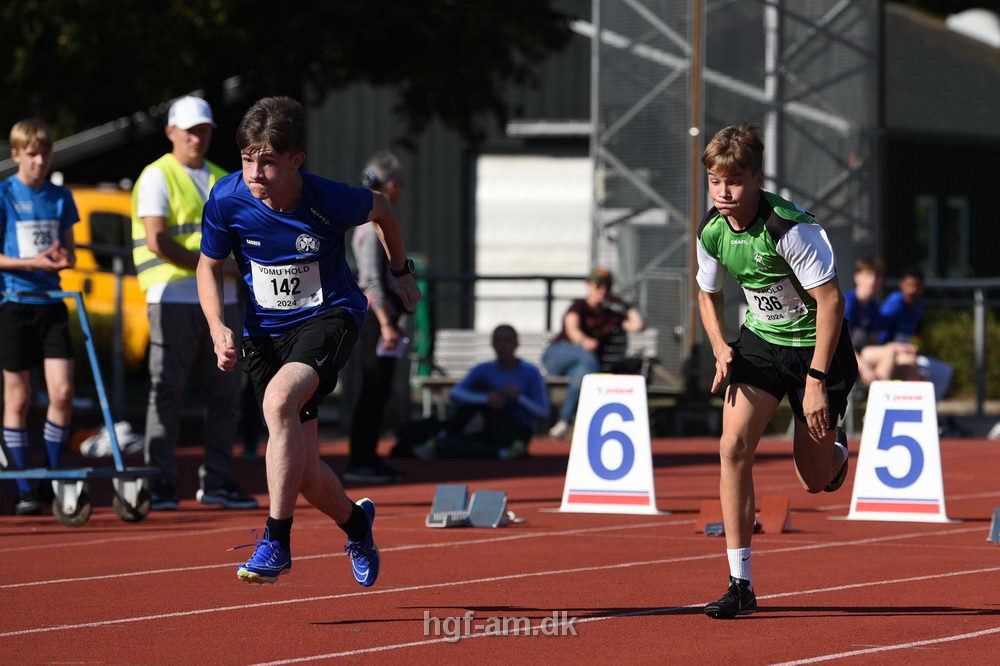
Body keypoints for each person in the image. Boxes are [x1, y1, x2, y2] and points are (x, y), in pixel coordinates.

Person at [197, 96, 420, 585]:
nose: (255, 172)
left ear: (296, 160)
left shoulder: (328, 199)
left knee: (279, 403)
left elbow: (382, 209)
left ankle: (275, 542)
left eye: (269, 162)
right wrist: (218, 326)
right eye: (247, 159)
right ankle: (356, 523)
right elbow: (208, 266)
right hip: (264, 335)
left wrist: (401, 271)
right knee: (304, 472)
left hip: (330, 317)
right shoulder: (227, 198)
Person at [695, 123, 857, 619]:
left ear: (758, 179)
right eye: (716, 181)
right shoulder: (713, 230)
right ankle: (739, 583)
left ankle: (834, 452)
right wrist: (721, 346)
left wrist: (814, 384)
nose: (724, 192)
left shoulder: (790, 229)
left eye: (736, 181)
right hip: (762, 345)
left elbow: (831, 303)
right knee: (732, 447)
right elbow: (708, 292)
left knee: (812, 480)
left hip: (816, 352)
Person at [131, 96, 257, 511]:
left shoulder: (225, 177)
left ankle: (218, 480)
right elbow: (157, 240)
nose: (196, 138)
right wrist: (218, 269)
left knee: (225, 391)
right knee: (167, 389)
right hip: (172, 298)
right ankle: (159, 481)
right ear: (170, 132)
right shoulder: (156, 175)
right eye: (189, 130)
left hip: (223, 300)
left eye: (203, 130)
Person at [0, 118, 78, 515]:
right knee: (18, 396)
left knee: (62, 392)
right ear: (15, 155)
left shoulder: (61, 196)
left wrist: (62, 259)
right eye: (31, 154)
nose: (39, 161)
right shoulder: (4, 195)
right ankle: (23, 486)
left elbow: (70, 252)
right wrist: (31, 263)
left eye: (44, 153)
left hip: (52, 304)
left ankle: (51, 473)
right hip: (14, 304)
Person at [345, 152, 408, 483]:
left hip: (380, 315)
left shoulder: (374, 223)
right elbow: (370, 280)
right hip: (374, 317)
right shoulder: (371, 228)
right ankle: (361, 460)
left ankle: (369, 457)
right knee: (372, 388)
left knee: (380, 389)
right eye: (398, 183)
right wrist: (385, 322)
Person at [412, 324, 548, 460]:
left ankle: (507, 448)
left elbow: (543, 412)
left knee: (483, 395)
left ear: (516, 344)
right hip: (490, 428)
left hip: (517, 428)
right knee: (477, 391)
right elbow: (455, 393)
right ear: (492, 344)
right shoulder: (484, 369)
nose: (502, 346)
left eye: (507, 341)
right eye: (498, 341)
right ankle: (447, 438)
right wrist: (486, 398)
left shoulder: (531, 372)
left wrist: (519, 397)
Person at [542, 268, 645, 439]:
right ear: (589, 286)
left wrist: (622, 303)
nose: (602, 290)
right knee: (588, 360)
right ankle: (573, 420)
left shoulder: (611, 315)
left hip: (584, 364)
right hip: (558, 355)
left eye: (607, 287)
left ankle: (564, 422)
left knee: (583, 373)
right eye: (598, 286)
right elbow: (572, 329)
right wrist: (584, 341)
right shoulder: (579, 306)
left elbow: (638, 325)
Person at [877, 267, 953, 400]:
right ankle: (911, 407)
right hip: (889, 352)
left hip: (908, 352)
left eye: (916, 286)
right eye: (909, 286)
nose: (912, 290)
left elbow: (916, 335)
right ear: (902, 285)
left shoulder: (918, 305)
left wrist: (915, 345)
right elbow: (879, 334)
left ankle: (930, 410)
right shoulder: (895, 302)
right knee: (921, 368)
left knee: (943, 370)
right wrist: (897, 347)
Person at [845, 256, 918, 386]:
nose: (872, 281)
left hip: (864, 354)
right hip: (844, 356)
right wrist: (863, 368)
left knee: (909, 361)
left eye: (877, 277)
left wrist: (897, 347)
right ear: (857, 277)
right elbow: (842, 343)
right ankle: (877, 400)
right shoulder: (848, 303)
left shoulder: (873, 307)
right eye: (868, 275)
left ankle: (913, 404)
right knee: (888, 354)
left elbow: (873, 344)